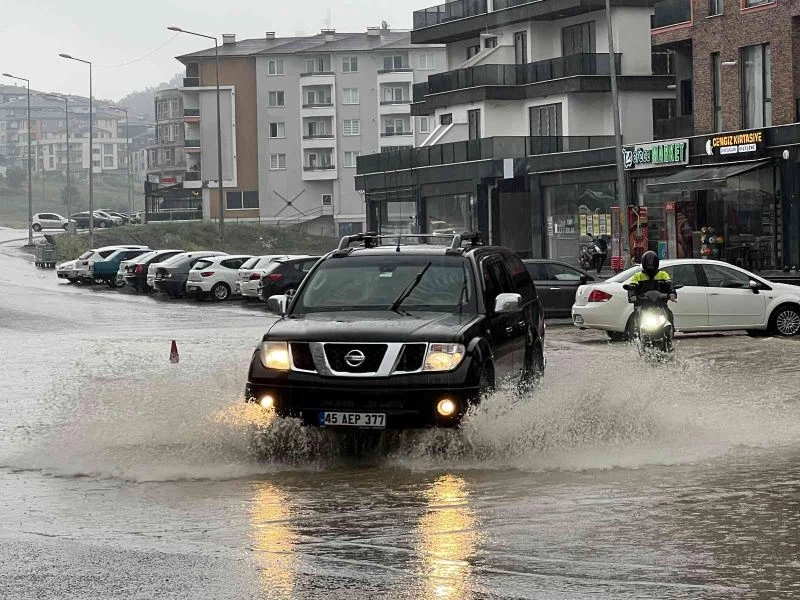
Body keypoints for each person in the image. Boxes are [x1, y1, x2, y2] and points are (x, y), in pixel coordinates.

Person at [627, 251, 677, 326]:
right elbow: (632, 286)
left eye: (653, 263)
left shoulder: (663, 274)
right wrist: (632, 295)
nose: (650, 266)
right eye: (648, 263)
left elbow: (669, 284)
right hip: (643, 304)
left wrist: (672, 292)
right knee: (634, 316)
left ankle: (671, 329)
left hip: (660, 304)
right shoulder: (638, 276)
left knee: (669, 314)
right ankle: (633, 330)